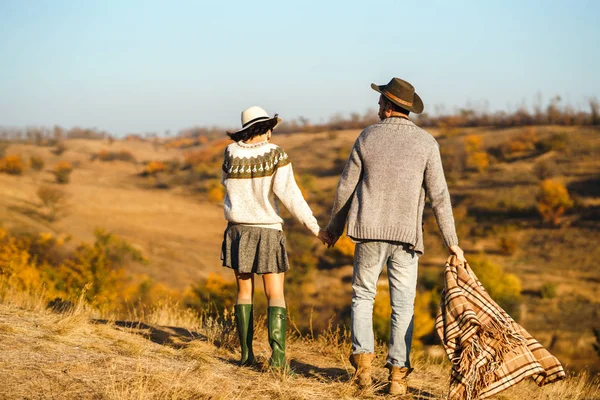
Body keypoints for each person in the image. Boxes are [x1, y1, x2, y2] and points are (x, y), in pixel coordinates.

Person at [323, 78, 466, 395]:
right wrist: (452, 242)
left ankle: (363, 369)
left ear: (388, 106)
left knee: (363, 297)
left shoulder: (367, 137)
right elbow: (439, 197)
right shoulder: (427, 143)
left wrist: (334, 227)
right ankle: (398, 380)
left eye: (379, 103)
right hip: (407, 238)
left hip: (369, 234)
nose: (376, 108)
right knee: (403, 307)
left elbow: (346, 188)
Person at [220, 106, 330, 370]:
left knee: (244, 292)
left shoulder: (230, 152)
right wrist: (315, 228)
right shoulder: (275, 153)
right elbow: (290, 194)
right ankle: (278, 360)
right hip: (267, 230)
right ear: (266, 128)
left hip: (237, 230)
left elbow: (226, 183)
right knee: (275, 294)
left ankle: (246, 357)